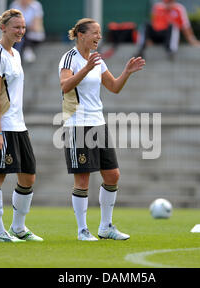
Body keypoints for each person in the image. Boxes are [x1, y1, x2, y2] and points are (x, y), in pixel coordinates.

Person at [58, 18, 145, 241]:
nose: (99, 37)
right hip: (78, 124)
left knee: (112, 175)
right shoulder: (70, 58)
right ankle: (82, 230)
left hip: (98, 123)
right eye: (95, 33)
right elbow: (65, 86)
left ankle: (106, 227)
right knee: (83, 180)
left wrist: (126, 72)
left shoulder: (98, 60)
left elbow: (114, 87)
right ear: (80, 35)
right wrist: (86, 69)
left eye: (100, 33)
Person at [0, 9, 43, 243]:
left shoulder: (15, 54)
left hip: (18, 125)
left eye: (23, 27)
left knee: (28, 176)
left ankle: (18, 227)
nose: (20, 31)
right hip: (2, 125)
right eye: (16, 27)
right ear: (3, 28)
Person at [135, 0, 200, 59]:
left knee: (173, 26)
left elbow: (185, 27)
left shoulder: (179, 9)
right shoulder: (157, 7)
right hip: (157, 35)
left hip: (167, 38)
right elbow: (153, 23)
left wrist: (192, 40)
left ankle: (171, 50)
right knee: (146, 24)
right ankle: (141, 50)